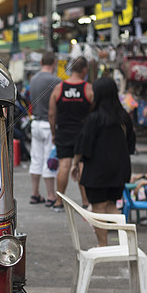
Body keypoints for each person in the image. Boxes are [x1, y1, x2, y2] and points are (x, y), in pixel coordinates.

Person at [71, 77, 136, 247]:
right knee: (112, 205)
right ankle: (126, 243)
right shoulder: (124, 117)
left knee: (99, 207)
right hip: (120, 168)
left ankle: (103, 244)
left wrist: (75, 164)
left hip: (99, 169)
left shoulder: (95, 118)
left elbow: (83, 144)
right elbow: (130, 144)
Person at [49, 56, 93, 212]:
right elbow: (93, 113)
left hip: (63, 132)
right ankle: (86, 202)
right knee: (81, 165)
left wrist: (54, 133)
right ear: (84, 70)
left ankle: (58, 202)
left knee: (64, 165)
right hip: (82, 133)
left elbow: (52, 115)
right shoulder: (88, 89)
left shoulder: (59, 88)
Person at [27, 51, 60, 206]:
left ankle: (34, 194)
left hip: (36, 123)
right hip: (49, 124)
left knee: (36, 159)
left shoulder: (33, 80)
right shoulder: (56, 81)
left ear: (41, 62)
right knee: (49, 159)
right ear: (53, 63)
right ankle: (51, 196)